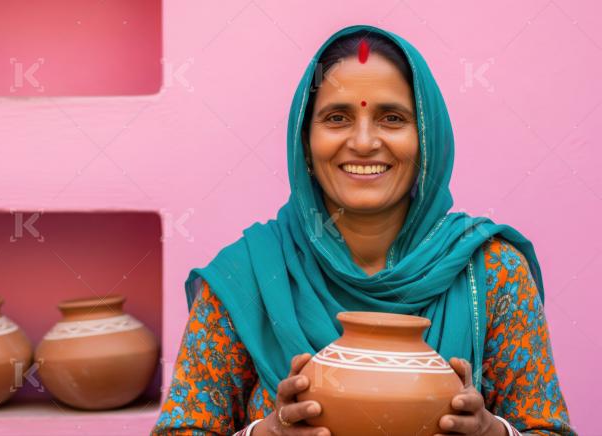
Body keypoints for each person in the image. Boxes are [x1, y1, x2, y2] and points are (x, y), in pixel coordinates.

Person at [152, 24, 575, 436]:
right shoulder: (249, 276)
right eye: (337, 118)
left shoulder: (490, 271)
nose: (364, 141)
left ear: (427, 137)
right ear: (305, 140)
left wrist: (492, 434)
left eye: (392, 118)